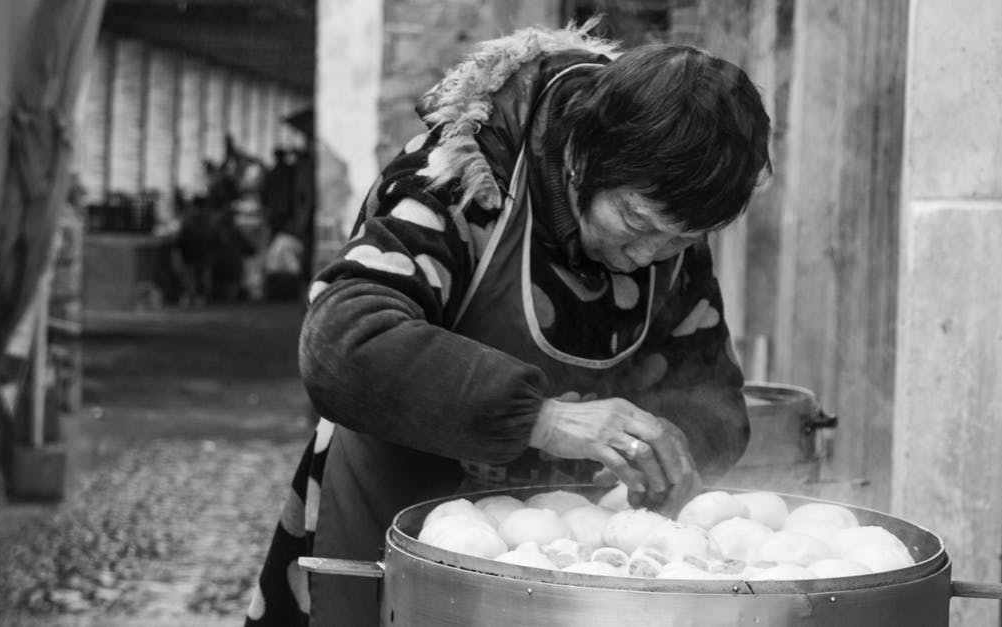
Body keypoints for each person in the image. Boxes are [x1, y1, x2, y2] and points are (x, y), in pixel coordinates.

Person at [245, 20, 770, 627]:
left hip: (563, 567)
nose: (647, 254)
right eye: (634, 221)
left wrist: (672, 447)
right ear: (581, 156)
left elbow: (713, 399)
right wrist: (544, 418)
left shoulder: (668, 225)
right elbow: (343, 342)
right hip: (396, 534)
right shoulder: (455, 181)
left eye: (682, 238)